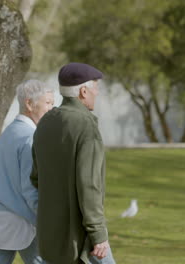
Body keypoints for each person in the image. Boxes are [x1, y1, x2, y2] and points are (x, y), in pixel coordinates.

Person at [30, 63, 116, 264]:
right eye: (96, 88)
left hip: (50, 233)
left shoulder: (45, 122)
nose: (97, 93)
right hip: (81, 237)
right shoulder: (86, 126)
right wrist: (98, 234)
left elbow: (36, 177)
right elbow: (89, 186)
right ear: (83, 92)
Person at [0, 80, 55, 264]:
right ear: (29, 104)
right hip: (21, 222)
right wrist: (48, 220)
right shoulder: (29, 139)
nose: (52, 108)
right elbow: (31, 189)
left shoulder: (9, 132)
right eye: (48, 103)